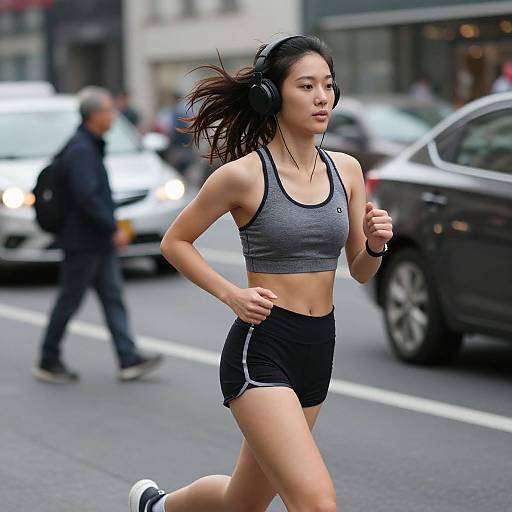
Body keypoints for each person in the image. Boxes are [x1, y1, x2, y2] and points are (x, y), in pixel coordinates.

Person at [128, 35, 393, 512]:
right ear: (271, 95)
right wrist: (232, 295)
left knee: (241, 502)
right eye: (307, 85)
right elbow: (175, 242)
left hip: (318, 347)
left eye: (328, 86)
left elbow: (361, 271)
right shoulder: (244, 176)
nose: (321, 98)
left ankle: (158, 508)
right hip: (263, 349)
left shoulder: (347, 171)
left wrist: (374, 245)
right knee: (316, 503)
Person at [33, 86, 163, 384]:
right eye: (108, 111)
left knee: (112, 297)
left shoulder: (88, 145)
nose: (112, 116)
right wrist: (112, 227)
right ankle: (47, 359)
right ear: (94, 115)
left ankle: (128, 358)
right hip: (83, 241)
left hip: (94, 241)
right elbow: (86, 196)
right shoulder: (81, 149)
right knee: (69, 300)